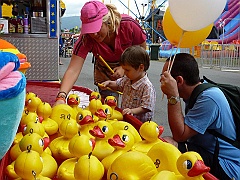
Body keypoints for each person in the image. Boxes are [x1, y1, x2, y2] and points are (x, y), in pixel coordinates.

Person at [160, 53, 240, 180]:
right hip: (207, 151)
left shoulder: (209, 98)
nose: (162, 81)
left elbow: (180, 135)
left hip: (227, 165)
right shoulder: (196, 92)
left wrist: (172, 96)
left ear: (179, 81)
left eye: (165, 76)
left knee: (171, 145)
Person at [54, 0, 146, 105]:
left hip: (132, 67)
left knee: (134, 107)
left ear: (108, 21)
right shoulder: (86, 38)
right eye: (90, 30)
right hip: (105, 71)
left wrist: (124, 68)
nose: (95, 34)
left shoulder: (129, 25)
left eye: (97, 28)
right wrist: (61, 97)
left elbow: (142, 52)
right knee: (109, 106)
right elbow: (73, 70)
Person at [100, 45, 156, 122]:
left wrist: (132, 111)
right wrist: (109, 83)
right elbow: (118, 85)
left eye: (127, 70)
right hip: (126, 119)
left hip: (140, 124)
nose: (125, 73)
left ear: (141, 67)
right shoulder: (127, 79)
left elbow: (146, 107)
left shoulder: (147, 86)